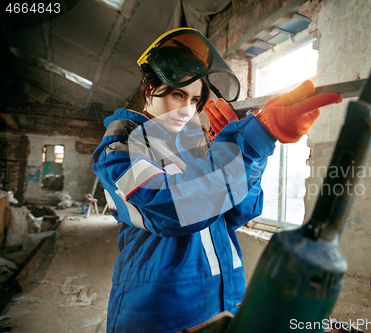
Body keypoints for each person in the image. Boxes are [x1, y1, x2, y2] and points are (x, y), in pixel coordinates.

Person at [92, 28, 342, 333]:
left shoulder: (196, 145)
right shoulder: (122, 143)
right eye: (177, 94)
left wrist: (238, 150)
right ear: (149, 90)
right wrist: (252, 139)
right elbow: (172, 210)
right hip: (161, 310)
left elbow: (241, 211)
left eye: (195, 99)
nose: (186, 110)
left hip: (225, 298)